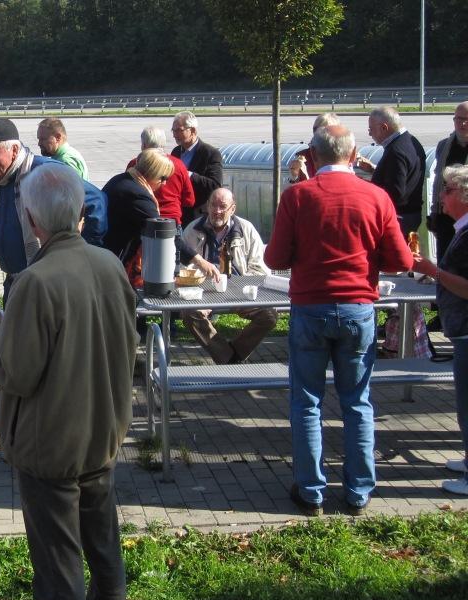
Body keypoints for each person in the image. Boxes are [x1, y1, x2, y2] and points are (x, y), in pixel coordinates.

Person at [0, 163, 135, 600]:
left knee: (58, 569)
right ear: (80, 216)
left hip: (50, 449)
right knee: (104, 549)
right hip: (101, 435)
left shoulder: (35, 281)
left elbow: (15, 373)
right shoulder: (109, 265)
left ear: (32, 221)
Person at [265, 124, 413, 517]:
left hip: (311, 307)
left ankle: (311, 491)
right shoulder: (376, 197)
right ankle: (358, 491)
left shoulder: (297, 196)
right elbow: (401, 260)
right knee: (357, 403)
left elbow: (275, 258)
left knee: (307, 402)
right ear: (353, 155)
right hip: (357, 307)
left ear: (312, 157)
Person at [0, 118, 107, 301]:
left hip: (46, 286)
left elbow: (96, 200)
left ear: (14, 150)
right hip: (14, 282)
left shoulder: (44, 171)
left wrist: (85, 253)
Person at [411, 164, 468, 496]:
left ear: (462, 195)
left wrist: (434, 270)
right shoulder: (461, 229)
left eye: (446, 191)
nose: (441, 198)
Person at [181, 188, 276, 364]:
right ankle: (229, 358)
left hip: (240, 292)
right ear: (207, 206)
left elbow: (260, 268)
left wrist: (241, 289)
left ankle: (231, 354)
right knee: (189, 313)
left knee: (269, 316)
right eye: (213, 205)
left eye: (222, 206)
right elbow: (182, 268)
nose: (217, 211)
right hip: (205, 293)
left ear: (232, 209)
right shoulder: (192, 230)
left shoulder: (246, 229)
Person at [103, 149, 219, 286]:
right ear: (151, 173)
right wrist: (199, 261)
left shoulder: (121, 180)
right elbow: (165, 234)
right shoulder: (139, 197)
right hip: (115, 258)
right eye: (162, 178)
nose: (164, 184)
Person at [356, 106, 427, 237]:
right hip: (410, 214)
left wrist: (362, 186)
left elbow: (395, 193)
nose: (370, 134)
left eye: (371, 129)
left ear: (384, 127)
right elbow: (402, 177)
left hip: (399, 219)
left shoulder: (396, 151)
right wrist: (374, 169)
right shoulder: (411, 141)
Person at [129, 126, 195, 226]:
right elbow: (189, 200)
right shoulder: (179, 165)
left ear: (144, 145)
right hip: (172, 222)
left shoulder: (134, 164)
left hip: (143, 220)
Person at [427, 101, 468, 261]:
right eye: (458, 119)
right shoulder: (444, 146)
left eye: (466, 119)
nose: (462, 123)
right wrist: (434, 211)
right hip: (445, 216)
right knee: (444, 262)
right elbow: (438, 180)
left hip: (465, 215)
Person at [171, 111, 223, 225]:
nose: (174, 135)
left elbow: (215, 185)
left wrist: (188, 175)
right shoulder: (175, 152)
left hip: (198, 218)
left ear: (193, 130)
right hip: (177, 215)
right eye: (173, 130)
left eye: (179, 130)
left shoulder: (210, 153)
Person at [287, 113, 341, 183]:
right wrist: (294, 175)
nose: (318, 133)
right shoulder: (304, 156)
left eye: (325, 130)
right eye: (316, 129)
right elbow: (296, 186)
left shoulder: (343, 155)